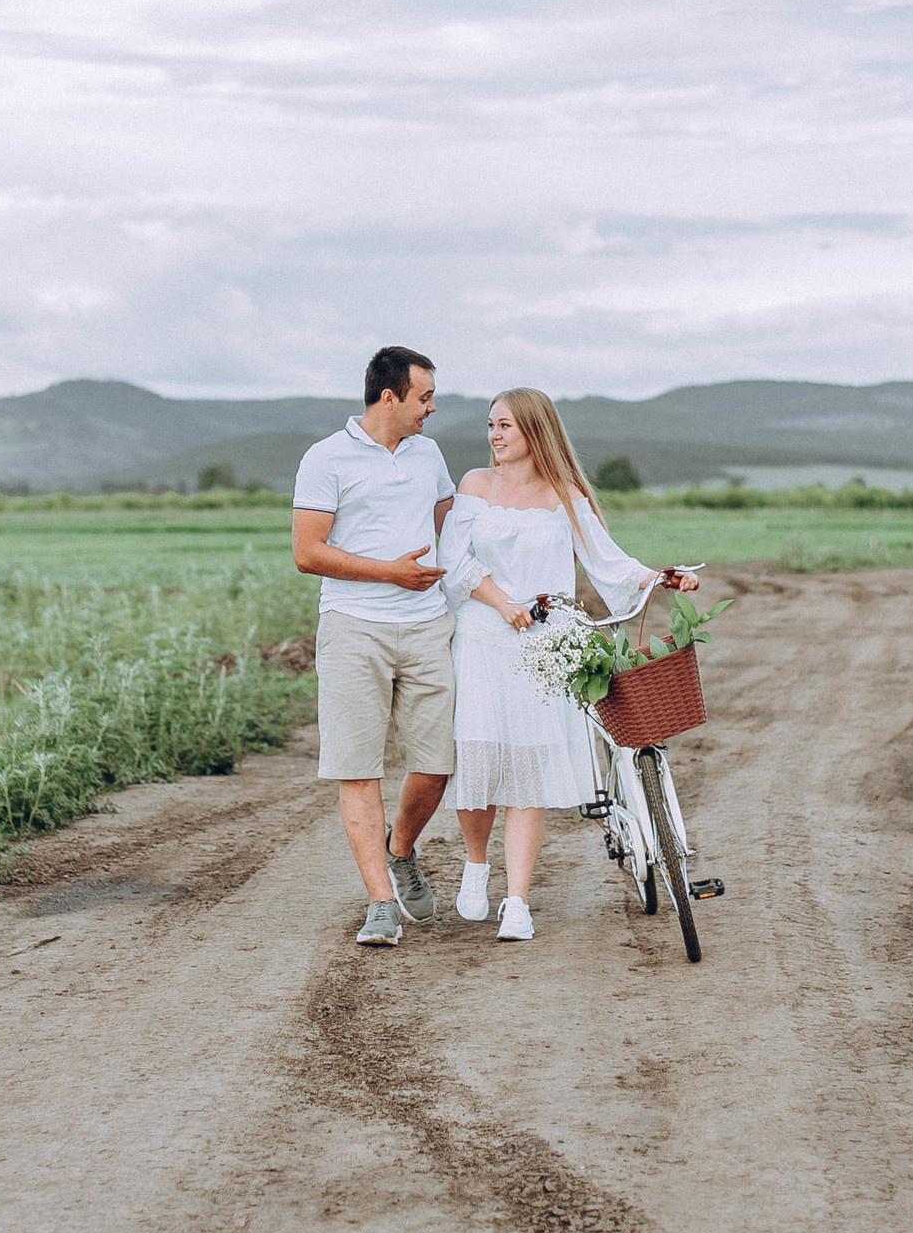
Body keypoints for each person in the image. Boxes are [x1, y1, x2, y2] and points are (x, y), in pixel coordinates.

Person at [436, 388, 695, 941]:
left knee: (525, 771)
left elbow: (608, 561)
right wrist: (501, 602)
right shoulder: (475, 487)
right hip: (484, 637)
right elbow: (453, 560)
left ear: (534, 430)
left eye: (505, 425)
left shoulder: (564, 494)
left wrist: (660, 577)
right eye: (490, 425)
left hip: (546, 645)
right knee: (480, 758)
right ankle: (477, 864)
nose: (494, 435)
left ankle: (518, 902)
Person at [291, 346, 459, 948]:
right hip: (353, 627)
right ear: (390, 397)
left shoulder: (428, 454)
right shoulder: (325, 458)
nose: (432, 408)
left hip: (427, 625)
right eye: (424, 397)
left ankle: (401, 848)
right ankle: (380, 904)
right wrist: (390, 572)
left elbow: (454, 525)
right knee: (357, 768)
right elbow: (308, 553)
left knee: (437, 764)